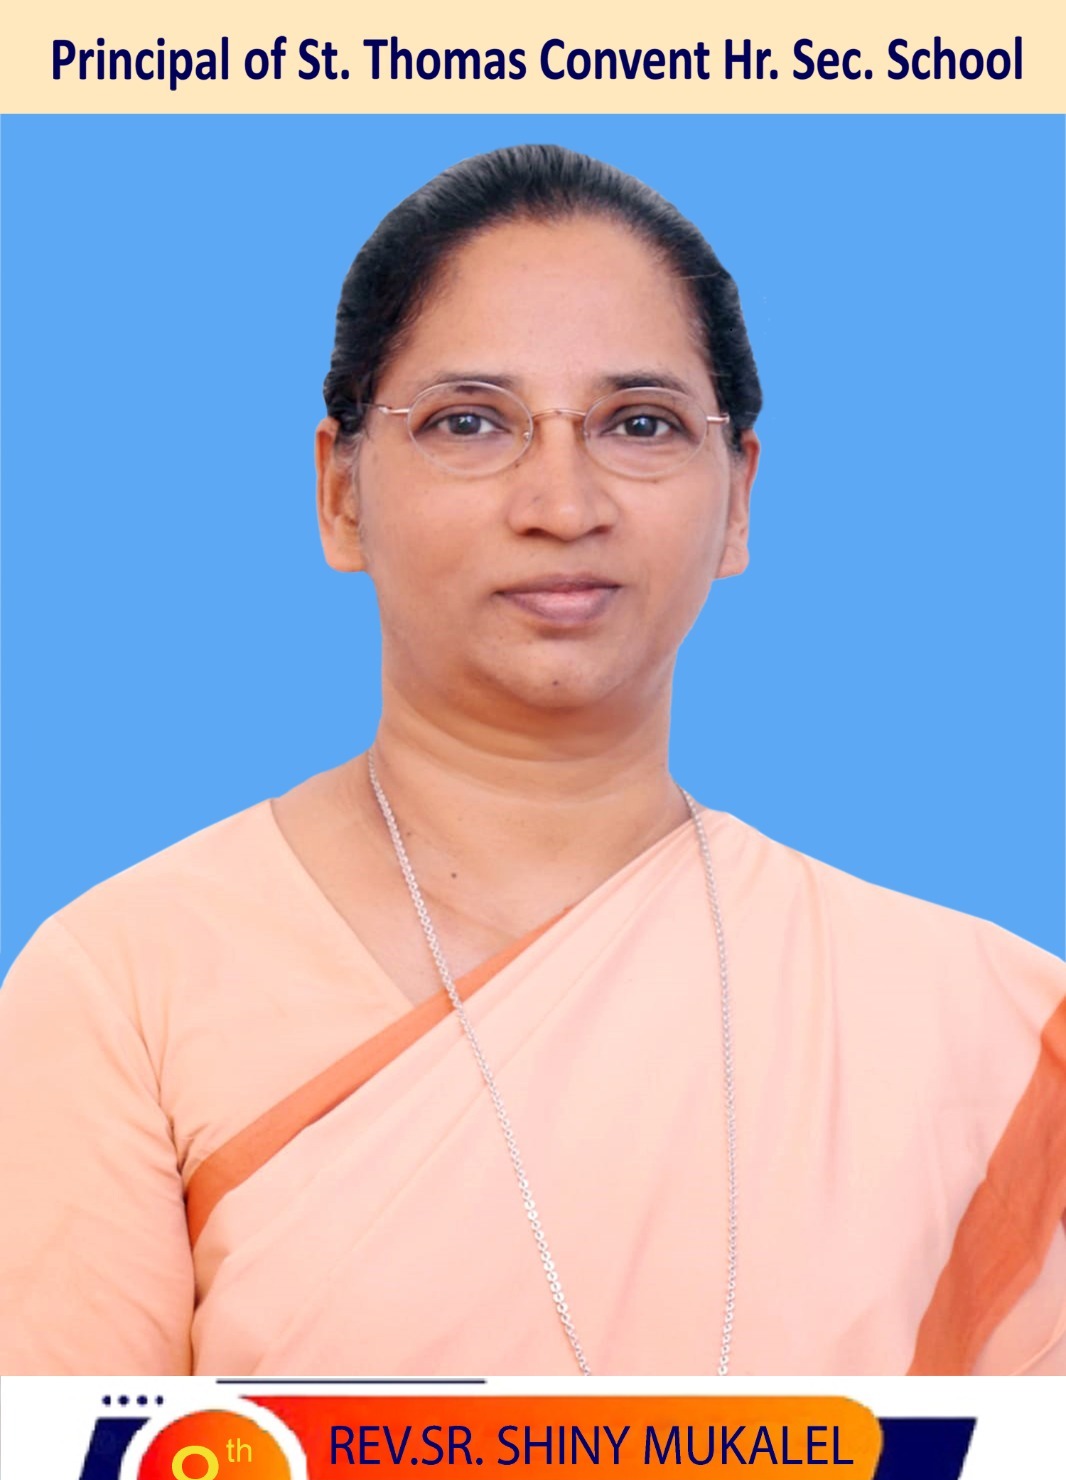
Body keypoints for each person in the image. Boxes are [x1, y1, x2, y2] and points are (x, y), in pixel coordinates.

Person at [1, 145, 1064, 1378]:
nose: (561, 503)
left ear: (736, 499)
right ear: (340, 492)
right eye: (468, 421)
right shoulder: (127, 986)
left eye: (639, 424)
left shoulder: (987, 1025)